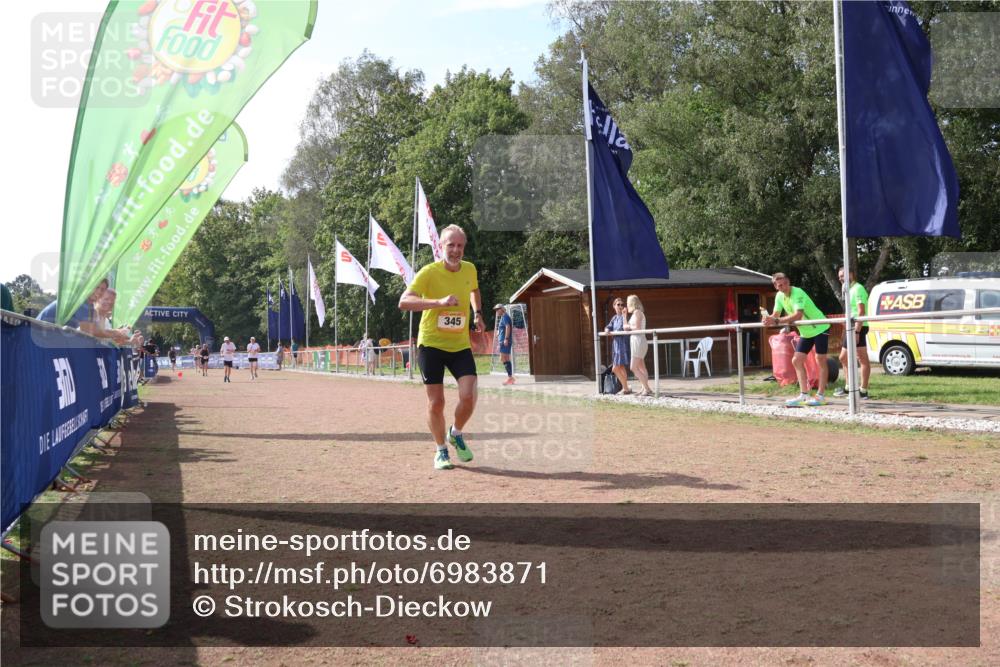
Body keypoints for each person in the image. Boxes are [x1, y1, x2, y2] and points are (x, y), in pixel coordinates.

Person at [399, 224, 483, 471]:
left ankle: (455, 433)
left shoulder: (469, 269)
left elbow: (474, 290)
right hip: (431, 345)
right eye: (451, 245)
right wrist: (438, 302)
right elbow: (404, 302)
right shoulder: (429, 272)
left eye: (460, 245)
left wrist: (477, 313)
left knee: (469, 396)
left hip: (459, 345)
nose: (456, 250)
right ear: (441, 246)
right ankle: (441, 451)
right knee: (436, 403)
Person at [763, 272, 831, 407]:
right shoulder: (779, 296)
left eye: (784, 283)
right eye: (779, 285)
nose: (783, 286)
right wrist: (768, 318)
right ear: (776, 286)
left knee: (820, 360)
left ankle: (821, 395)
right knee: (796, 360)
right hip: (806, 331)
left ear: (788, 281)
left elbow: (797, 315)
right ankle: (804, 395)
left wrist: (775, 320)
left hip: (820, 327)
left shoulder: (798, 292)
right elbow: (776, 314)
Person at [833, 267, 871, 400]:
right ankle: (849, 387)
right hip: (851, 326)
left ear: (851, 274)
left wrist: (857, 331)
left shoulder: (858, 288)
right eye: (839, 276)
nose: (841, 278)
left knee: (862, 358)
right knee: (843, 357)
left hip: (858, 326)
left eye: (843, 275)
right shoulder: (848, 290)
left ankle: (863, 391)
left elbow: (861, 311)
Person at [37, 278, 108, 335]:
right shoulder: (80, 300)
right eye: (96, 287)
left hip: (50, 336)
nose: (99, 291)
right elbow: (88, 334)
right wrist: (114, 333)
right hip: (38, 332)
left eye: (102, 289)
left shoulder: (91, 307)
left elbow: (94, 331)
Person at [621, 294, 653, 396]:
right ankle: (644, 388)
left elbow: (638, 328)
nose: (626, 305)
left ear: (632, 303)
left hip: (639, 341)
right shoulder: (634, 314)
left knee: (633, 367)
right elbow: (626, 328)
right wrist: (624, 316)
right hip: (635, 340)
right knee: (641, 367)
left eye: (627, 303)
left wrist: (629, 327)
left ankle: (647, 389)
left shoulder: (638, 313)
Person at [603, 297, 631, 394]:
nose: (620, 306)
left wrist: (624, 316)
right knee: (621, 367)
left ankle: (626, 388)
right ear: (614, 306)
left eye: (622, 304)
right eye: (618, 304)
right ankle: (626, 388)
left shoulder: (624, 317)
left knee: (615, 368)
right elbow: (609, 326)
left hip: (622, 344)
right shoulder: (614, 318)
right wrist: (607, 330)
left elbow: (623, 328)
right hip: (615, 344)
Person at [494, 304, 515, 385]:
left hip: (504, 341)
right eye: (495, 310)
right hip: (502, 341)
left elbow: (508, 327)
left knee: (504, 359)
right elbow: (503, 328)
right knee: (504, 359)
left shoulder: (505, 316)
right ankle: (510, 378)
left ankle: (510, 378)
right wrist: (499, 333)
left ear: (502, 309)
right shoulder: (503, 317)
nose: (496, 311)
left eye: (497, 309)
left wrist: (506, 338)